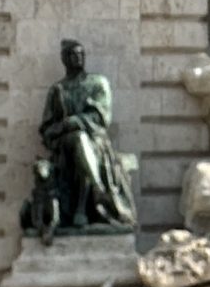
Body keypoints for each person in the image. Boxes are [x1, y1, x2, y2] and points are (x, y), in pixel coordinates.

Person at [33, 40, 136, 232]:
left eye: (81, 54)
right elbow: (46, 129)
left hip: (97, 141)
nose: (78, 58)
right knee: (78, 138)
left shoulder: (98, 83)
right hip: (64, 146)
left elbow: (102, 117)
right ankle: (97, 190)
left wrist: (74, 121)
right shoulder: (57, 90)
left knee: (81, 140)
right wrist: (62, 127)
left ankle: (83, 209)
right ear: (64, 59)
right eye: (73, 55)